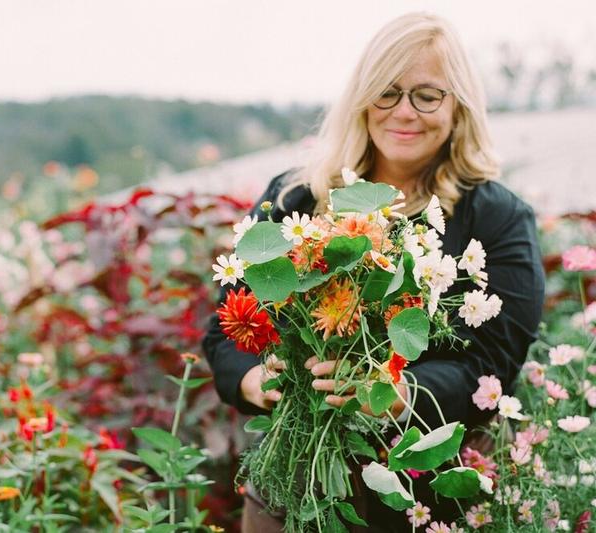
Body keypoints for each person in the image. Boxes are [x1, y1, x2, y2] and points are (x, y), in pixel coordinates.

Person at [201, 11, 545, 532]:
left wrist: (397, 393)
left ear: (459, 106)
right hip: (289, 490)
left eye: (427, 95)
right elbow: (227, 326)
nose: (404, 112)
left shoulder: (495, 218)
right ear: (362, 99)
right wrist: (256, 381)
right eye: (387, 92)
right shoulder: (297, 198)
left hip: (416, 501)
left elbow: (493, 363)